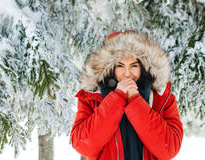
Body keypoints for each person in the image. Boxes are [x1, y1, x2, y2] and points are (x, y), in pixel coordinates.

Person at [71, 30, 183, 160]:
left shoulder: (162, 97)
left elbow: (169, 148)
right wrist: (117, 97)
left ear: (143, 67)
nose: (127, 73)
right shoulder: (92, 97)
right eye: (120, 66)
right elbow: (83, 145)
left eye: (134, 65)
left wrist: (135, 100)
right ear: (110, 68)